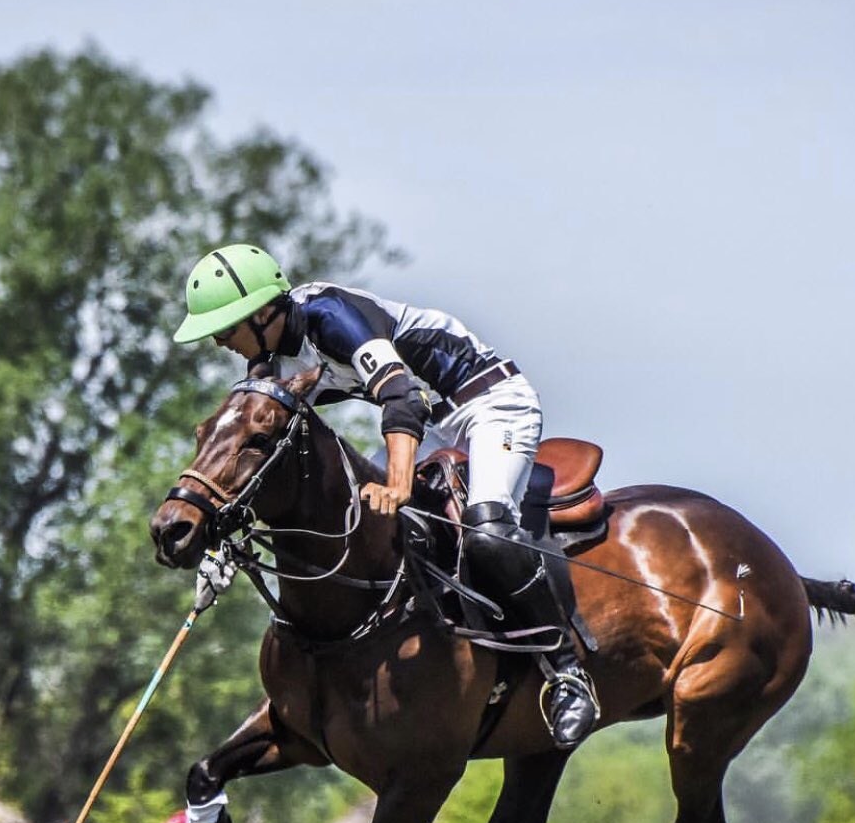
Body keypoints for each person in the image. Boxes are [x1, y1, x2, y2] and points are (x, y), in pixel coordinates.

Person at [174, 243, 598, 748]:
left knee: (485, 530)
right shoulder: (269, 368)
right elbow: (259, 460)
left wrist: (398, 482)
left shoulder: (328, 317)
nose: (220, 342)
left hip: (488, 404)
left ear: (264, 312)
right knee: (374, 532)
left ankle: (567, 673)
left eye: (225, 329)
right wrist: (219, 546)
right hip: (434, 428)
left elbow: (401, 396)